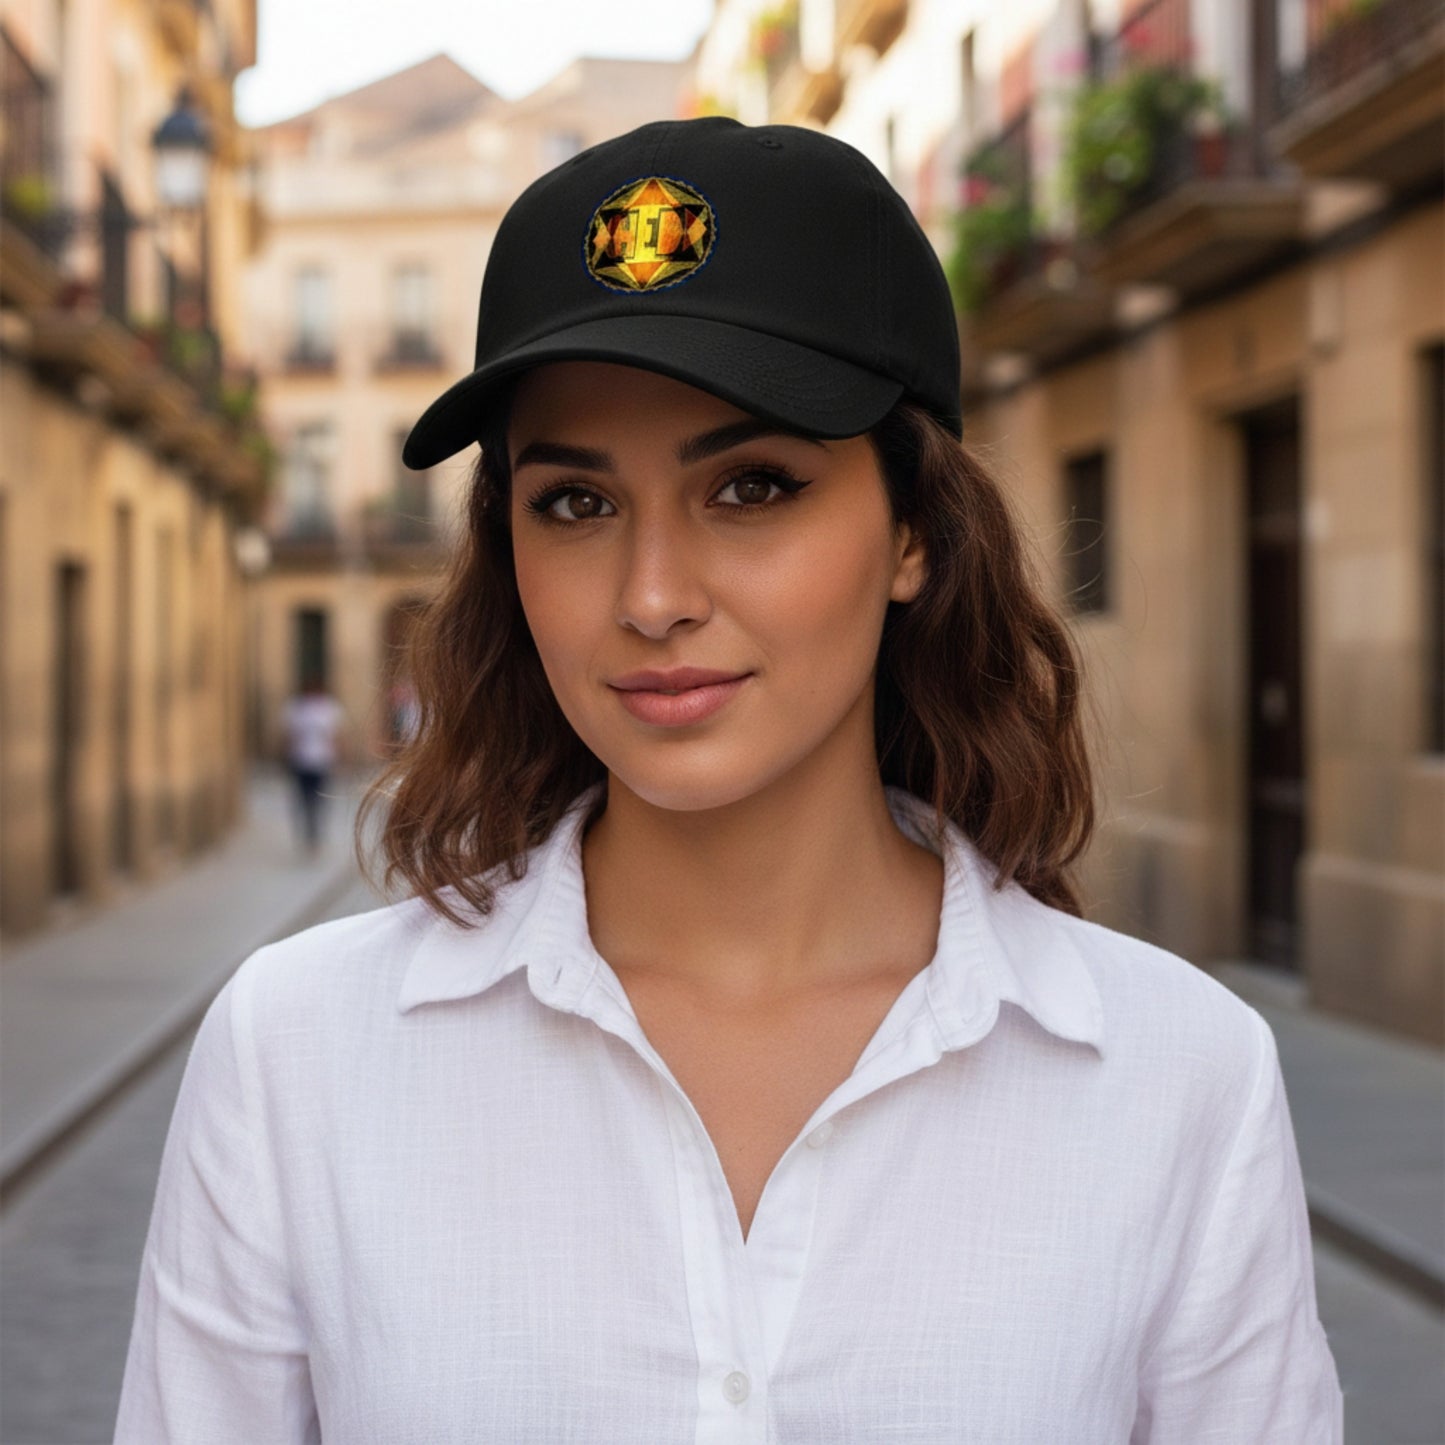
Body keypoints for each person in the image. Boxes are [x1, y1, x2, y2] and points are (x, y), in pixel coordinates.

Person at [114, 117, 1343, 1441]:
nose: (650, 597)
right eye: (576, 504)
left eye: (751, 487)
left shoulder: (1176, 1076)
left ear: (915, 534)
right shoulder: (296, 1053)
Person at [278, 674, 347, 852]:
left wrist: (339, 757)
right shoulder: (297, 708)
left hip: (321, 761)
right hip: (301, 761)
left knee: (317, 799)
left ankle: (314, 834)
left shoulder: (329, 708)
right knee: (303, 798)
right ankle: (309, 833)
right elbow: (289, 736)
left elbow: (336, 736)